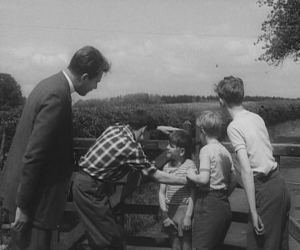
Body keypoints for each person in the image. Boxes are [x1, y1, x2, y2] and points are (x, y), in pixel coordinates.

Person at [1, 46, 110, 250]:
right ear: (85, 76)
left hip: (31, 198)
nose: (95, 87)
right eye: (96, 81)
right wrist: (23, 206)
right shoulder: (57, 96)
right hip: (35, 204)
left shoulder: (49, 85)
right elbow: (34, 155)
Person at [72, 111, 189, 250]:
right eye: (149, 133)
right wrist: (185, 180)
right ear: (144, 130)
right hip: (90, 189)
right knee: (110, 239)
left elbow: (137, 127)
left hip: (82, 183)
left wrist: (157, 127)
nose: (148, 137)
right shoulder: (130, 147)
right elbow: (156, 175)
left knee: (102, 237)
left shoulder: (115, 128)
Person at [215, 76, 291, 250]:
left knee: (261, 245)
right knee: (280, 244)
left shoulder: (233, 127)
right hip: (279, 185)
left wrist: (254, 211)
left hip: (264, 189)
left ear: (221, 100)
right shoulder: (256, 118)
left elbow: (247, 171)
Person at [187, 110, 236, 250]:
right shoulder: (224, 150)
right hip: (223, 205)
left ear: (202, 130)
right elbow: (233, 179)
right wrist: (224, 193)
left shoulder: (206, 150)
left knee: (201, 246)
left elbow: (203, 179)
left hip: (208, 203)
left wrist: (191, 174)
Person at [159, 130, 196, 250]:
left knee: (186, 244)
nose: (167, 147)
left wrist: (188, 216)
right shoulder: (166, 167)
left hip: (184, 210)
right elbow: (161, 192)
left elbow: (193, 192)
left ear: (182, 151)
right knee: (174, 243)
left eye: (171, 146)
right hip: (170, 210)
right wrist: (164, 215)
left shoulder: (190, 166)